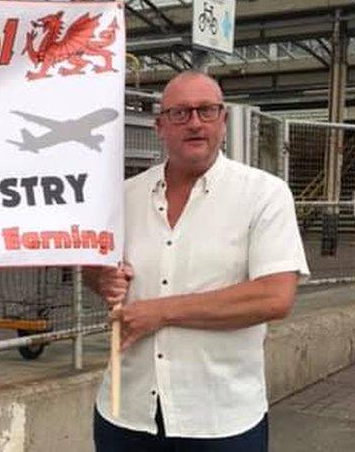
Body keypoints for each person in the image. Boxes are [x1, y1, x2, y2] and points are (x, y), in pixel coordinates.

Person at [85, 71, 308, 451]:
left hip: (219, 421)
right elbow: (97, 270)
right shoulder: (124, 196)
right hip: (126, 412)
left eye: (206, 111)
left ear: (222, 119)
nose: (194, 122)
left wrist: (162, 311)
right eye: (179, 113)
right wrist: (101, 278)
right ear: (159, 126)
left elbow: (275, 297)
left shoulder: (264, 195)